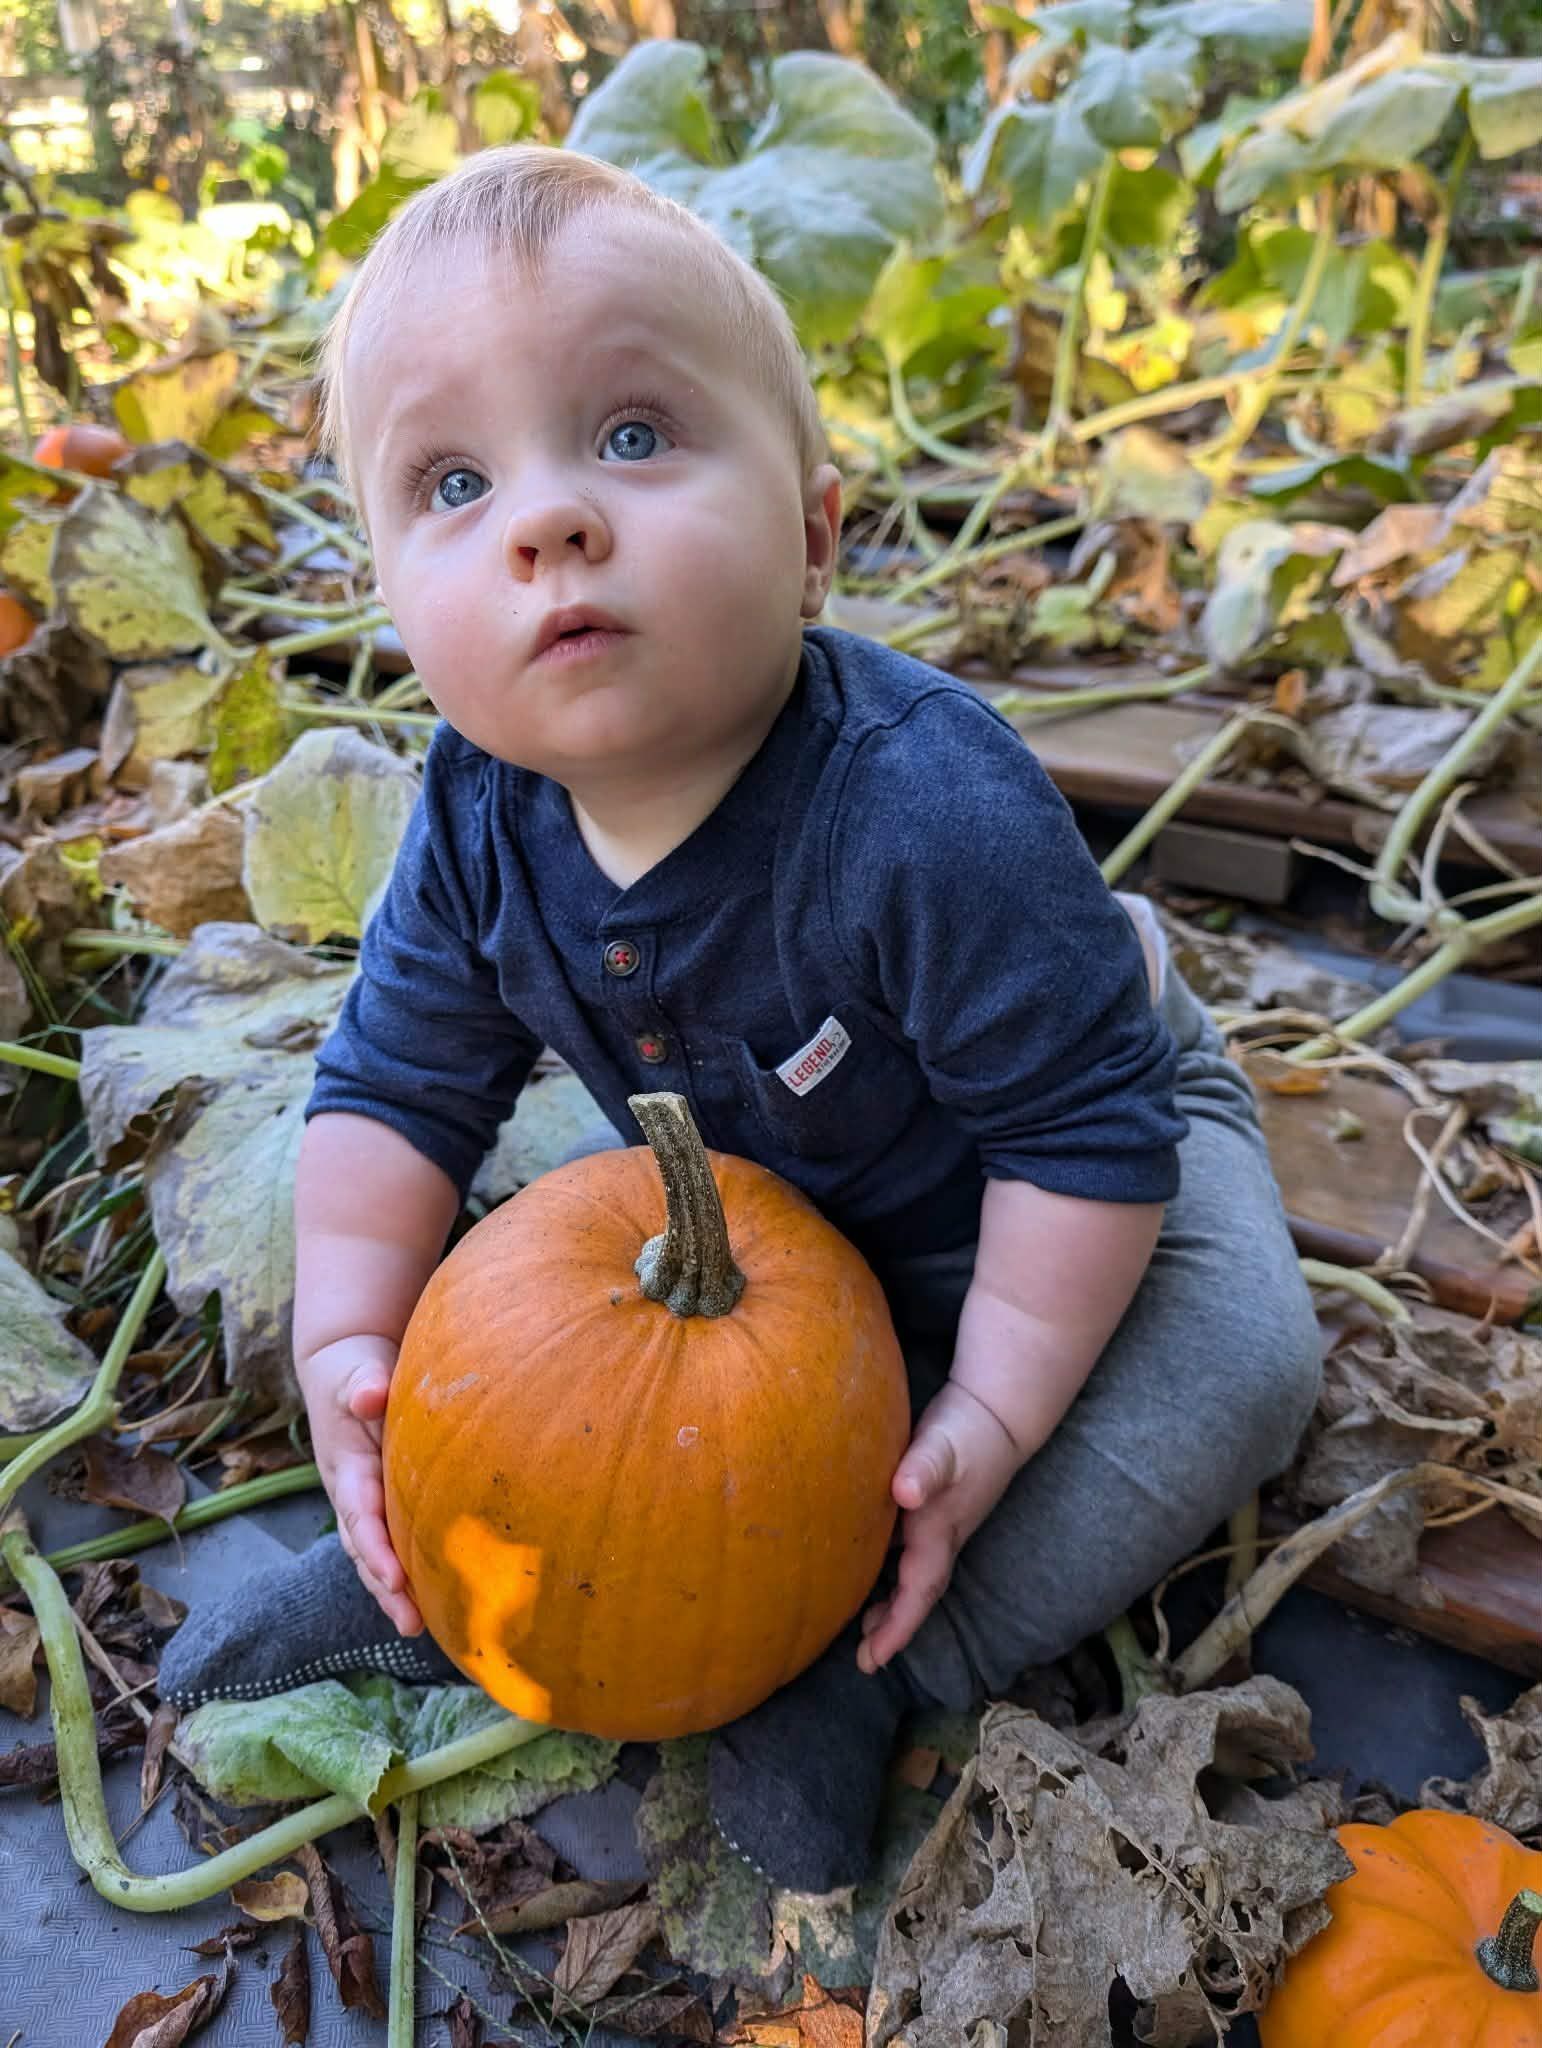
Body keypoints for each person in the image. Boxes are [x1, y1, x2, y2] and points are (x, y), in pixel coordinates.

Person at [157, 143, 1322, 1894]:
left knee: (1239, 1365)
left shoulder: (922, 813)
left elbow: (1081, 1146)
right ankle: (452, 1575)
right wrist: (352, 1355)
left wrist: (987, 1422)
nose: (549, 517)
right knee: (503, 1291)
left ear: (813, 535)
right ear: (394, 603)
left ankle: (879, 1664)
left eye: (630, 435)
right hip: (768, 1199)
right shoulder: (478, 814)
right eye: (455, 480)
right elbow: (393, 1086)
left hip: (1074, 1151)